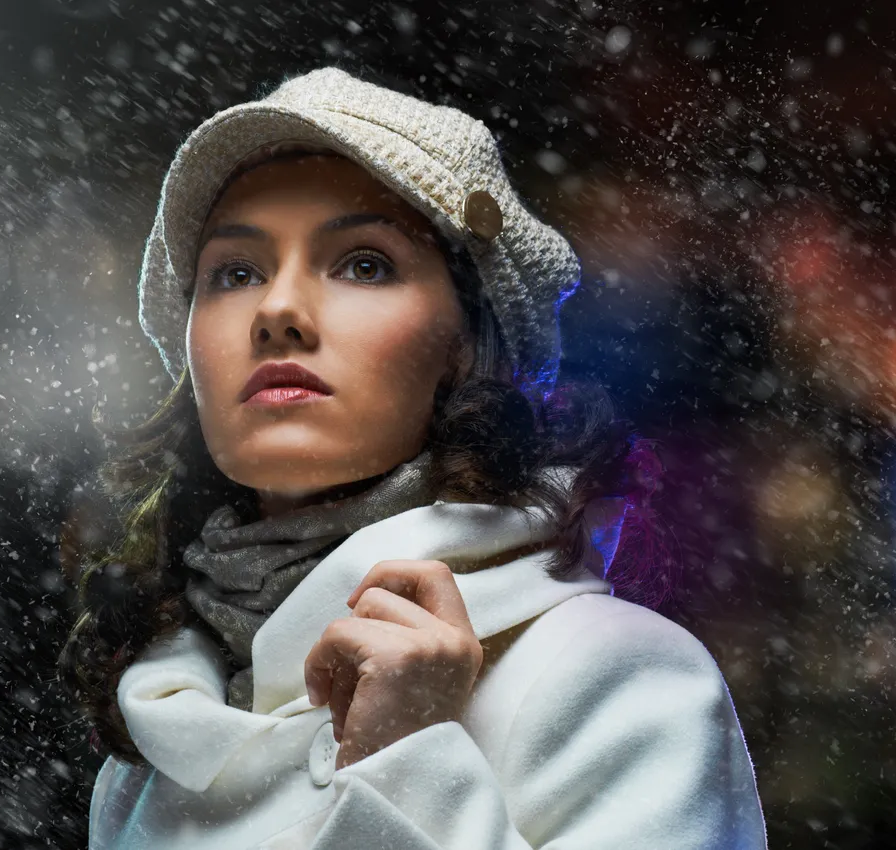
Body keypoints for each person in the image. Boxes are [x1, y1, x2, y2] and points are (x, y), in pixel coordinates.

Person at [59, 66, 767, 849]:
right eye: (235, 273)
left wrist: (404, 763)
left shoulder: (613, 674)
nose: (279, 311)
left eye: (364, 263)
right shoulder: (157, 729)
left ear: (468, 346)